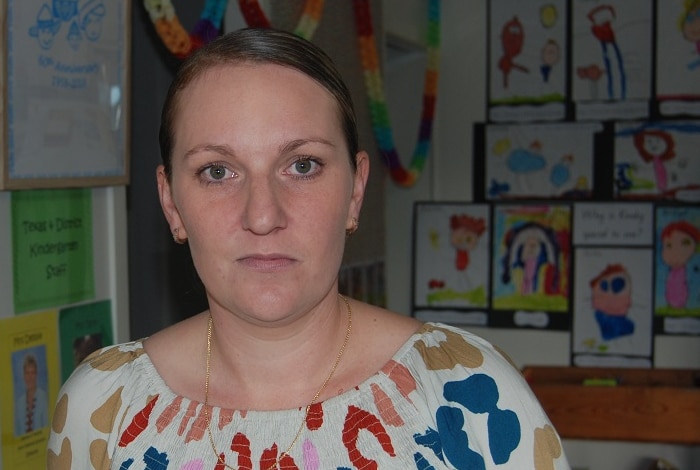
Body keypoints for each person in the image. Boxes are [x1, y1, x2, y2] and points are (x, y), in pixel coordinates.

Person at [48, 28, 569, 469]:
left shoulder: (470, 394)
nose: (262, 215)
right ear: (171, 203)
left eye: (302, 165)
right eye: (217, 171)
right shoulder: (102, 406)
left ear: (356, 190)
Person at [15, 353, 49, 436]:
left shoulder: (44, 397)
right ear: (24, 375)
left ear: (36, 375)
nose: (30, 377)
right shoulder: (19, 403)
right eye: (27, 373)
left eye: (32, 373)